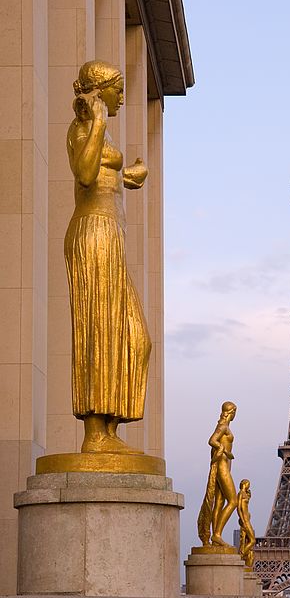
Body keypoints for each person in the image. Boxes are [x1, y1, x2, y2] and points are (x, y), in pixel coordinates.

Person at [64, 60, 151, 453]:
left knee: (135, 337)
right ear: (100, 92)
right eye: (117, 88)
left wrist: (129, 173)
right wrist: (97, 122)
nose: (123, 95)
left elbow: (103, 174)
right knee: (98, 328)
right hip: (93, 232)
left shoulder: (101, 132)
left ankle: (110, 429)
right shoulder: (82, 128)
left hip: (110, 236)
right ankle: (94, 435)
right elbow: (84, 173)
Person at [197, 401, 238, 547]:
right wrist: (225, 450)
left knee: (219, 502)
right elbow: (212, 440)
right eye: (234, 412)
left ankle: (216, 536)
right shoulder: (223, 427)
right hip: (222, 467)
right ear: (231, 412)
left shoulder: (224, 426)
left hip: (224, 466)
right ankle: (217, 534)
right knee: (233, 501)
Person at [237, 479, 256, 568]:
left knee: (249, 540)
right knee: (253, 540)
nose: (249, 485)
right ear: (244, 484)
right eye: (248, 483)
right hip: (245, 520)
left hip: (246, 519)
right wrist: (242, 519)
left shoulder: (245, 494)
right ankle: (241, 555)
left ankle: (242, 554)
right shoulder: (241, 493)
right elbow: (239, 508)